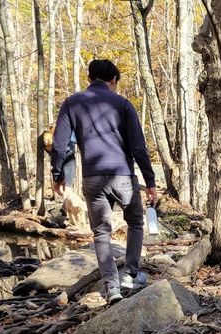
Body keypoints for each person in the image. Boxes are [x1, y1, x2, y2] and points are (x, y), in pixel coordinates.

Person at [50, 59, 157, 305]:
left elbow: (60, 145)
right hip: (123, 176)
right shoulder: (123, 104)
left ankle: (112, 288)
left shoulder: (72, 103)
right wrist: (150, 181)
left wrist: (58, 174)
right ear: (113, 80)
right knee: (135, 222)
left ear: (90, 78)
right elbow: (138, 148)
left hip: (93, 178)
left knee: (101, 232)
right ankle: (131, 275)